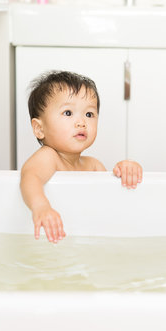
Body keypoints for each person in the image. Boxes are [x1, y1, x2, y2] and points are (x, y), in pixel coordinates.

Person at [20, 71, 142, 243]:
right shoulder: (49, 157)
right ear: (39, 128)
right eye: (68, 113)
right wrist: (41, 207)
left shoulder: (93, 166)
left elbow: (111, 200)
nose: (81, 122)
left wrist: (126, 169)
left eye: (89, 114)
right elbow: (30, 177)